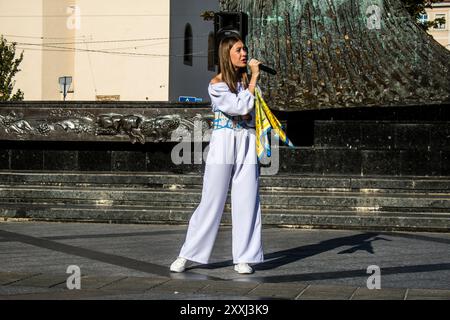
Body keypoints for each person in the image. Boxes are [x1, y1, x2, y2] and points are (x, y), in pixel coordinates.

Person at [170, 35, 264, 274]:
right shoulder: (216, 84)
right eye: (239, 50)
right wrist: (253, 80)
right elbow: (240, 108)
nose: (244, 54)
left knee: (247, 198)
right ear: (227, 54)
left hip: (246, 139)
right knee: (212, 199)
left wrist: (250, 88)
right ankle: (187, 253)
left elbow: (250, 113)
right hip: (223, 141)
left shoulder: (247, 85)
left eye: (244, 49)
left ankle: (244, 257)